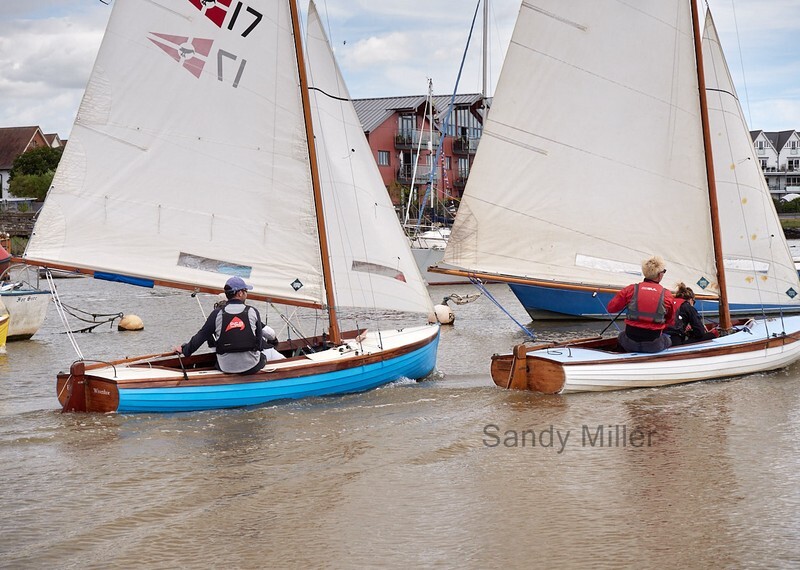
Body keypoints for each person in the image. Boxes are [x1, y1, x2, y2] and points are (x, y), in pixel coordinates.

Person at [173, 276, 266, 374]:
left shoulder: (216, 314)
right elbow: (259, 344)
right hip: (251, 366)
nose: (247, 294)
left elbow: (201, 336)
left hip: (226, 367)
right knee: (263, 357)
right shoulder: (253, 311)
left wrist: (185, 349)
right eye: (246, 291)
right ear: (240, 293)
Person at [607, 256, 675, 353]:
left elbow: (611, 308)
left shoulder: (630, 290)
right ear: (660, 275)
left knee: (621, 335)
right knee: (668, 340)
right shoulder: (667, 295)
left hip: (629, 343)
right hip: (654, 345)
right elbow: (671, 320)